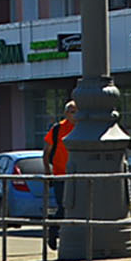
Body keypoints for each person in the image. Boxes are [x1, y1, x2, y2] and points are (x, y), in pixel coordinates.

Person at [43, 98, 77, 244]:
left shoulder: (83, 128)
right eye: (71, 112)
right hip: (60, 175)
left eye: (76, 112)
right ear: (66, 113)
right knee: (63, 206)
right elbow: (46, 152)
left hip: (78, 176)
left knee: (77, 207)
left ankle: (70, 237)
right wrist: (48, 172)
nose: (74, 115)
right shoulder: (57, 129)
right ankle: (53, 230)